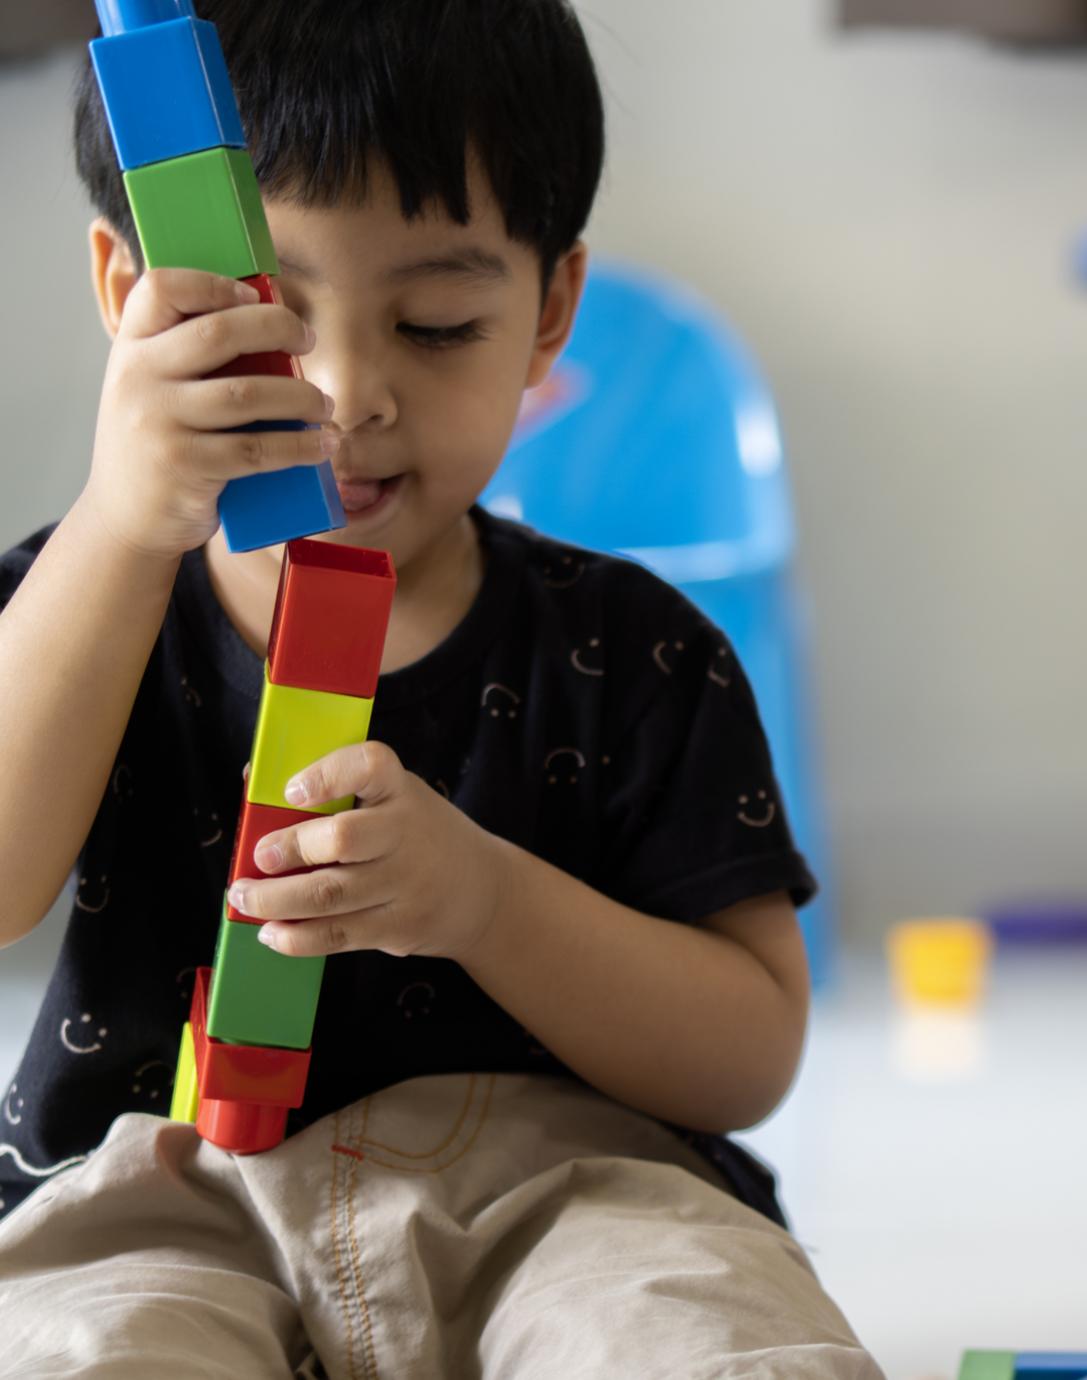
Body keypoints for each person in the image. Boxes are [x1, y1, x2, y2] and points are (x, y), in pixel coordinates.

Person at [0, 3, 882, 1374]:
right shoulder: (75, 603)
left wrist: (483, 901)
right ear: (130, 296)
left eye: (437, 323)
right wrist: (121, 523)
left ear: (548, 313)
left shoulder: (640, 655)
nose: (348, 391)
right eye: (264, 317)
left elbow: (744, 1060)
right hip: (150, 1205)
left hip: (573, 1198)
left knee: (716, 1343)